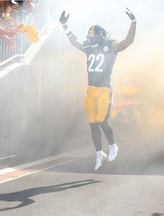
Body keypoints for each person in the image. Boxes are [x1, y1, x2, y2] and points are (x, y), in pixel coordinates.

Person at [59, 8, 137, 170]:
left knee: (102, 121)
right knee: (92, 123)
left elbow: (128, 41)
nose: (90, 38)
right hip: (91, 90)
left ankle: (113, 145)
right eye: (90, 36)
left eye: (93, 36)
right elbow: (75, 42)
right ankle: (99, 153)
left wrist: (133, 22)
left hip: (104, 90)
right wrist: (64, 25)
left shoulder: (111, 45)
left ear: (101, 37)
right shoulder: (88, 46)